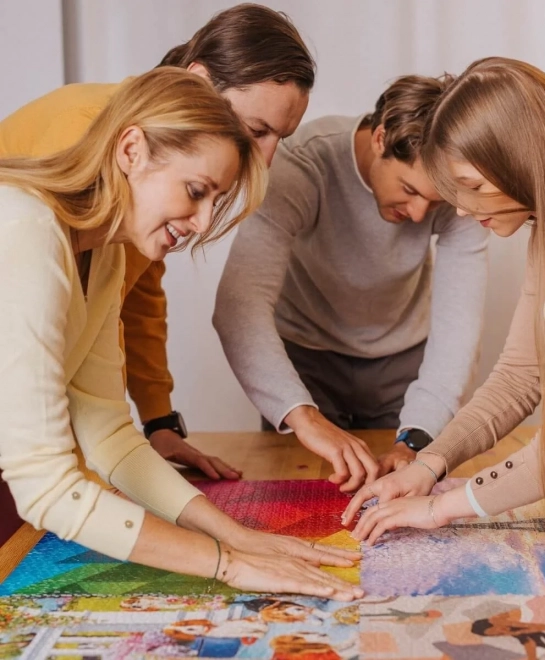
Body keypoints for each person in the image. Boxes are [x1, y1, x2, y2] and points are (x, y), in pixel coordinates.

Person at [0, 67, 363, 600]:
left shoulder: (102, 254)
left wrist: (236, 536)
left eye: (215, 201)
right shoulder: (26, 229)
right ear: (131, 150)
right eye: (196, 191)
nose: (201, 222)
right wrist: (228, 565)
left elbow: (110, 437)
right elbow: (46, 484)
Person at [344, 57, 545, 555]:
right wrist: (429, 465)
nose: (464, 209)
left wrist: (442, 507)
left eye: (472, 185)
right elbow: (518, 376)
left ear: (525, 157)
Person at [0, 2, 313, 480]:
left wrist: (158, 420)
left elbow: (136, 292)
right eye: (257, 130)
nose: (266, 161)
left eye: (280, 139)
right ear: (201, 80)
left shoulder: (155, 184)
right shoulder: (88, 133)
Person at [214, 75, 489, 492]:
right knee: (300, 499)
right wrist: (301, 414)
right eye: (409, 189)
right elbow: (240, 307)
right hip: (305, 363)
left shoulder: (459, 187)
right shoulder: (301, 163)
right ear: (380, 138)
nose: (419, 215)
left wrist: (419, 435)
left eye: (433, 203)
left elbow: (459, 328)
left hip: (402, 367)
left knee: (405, 491)